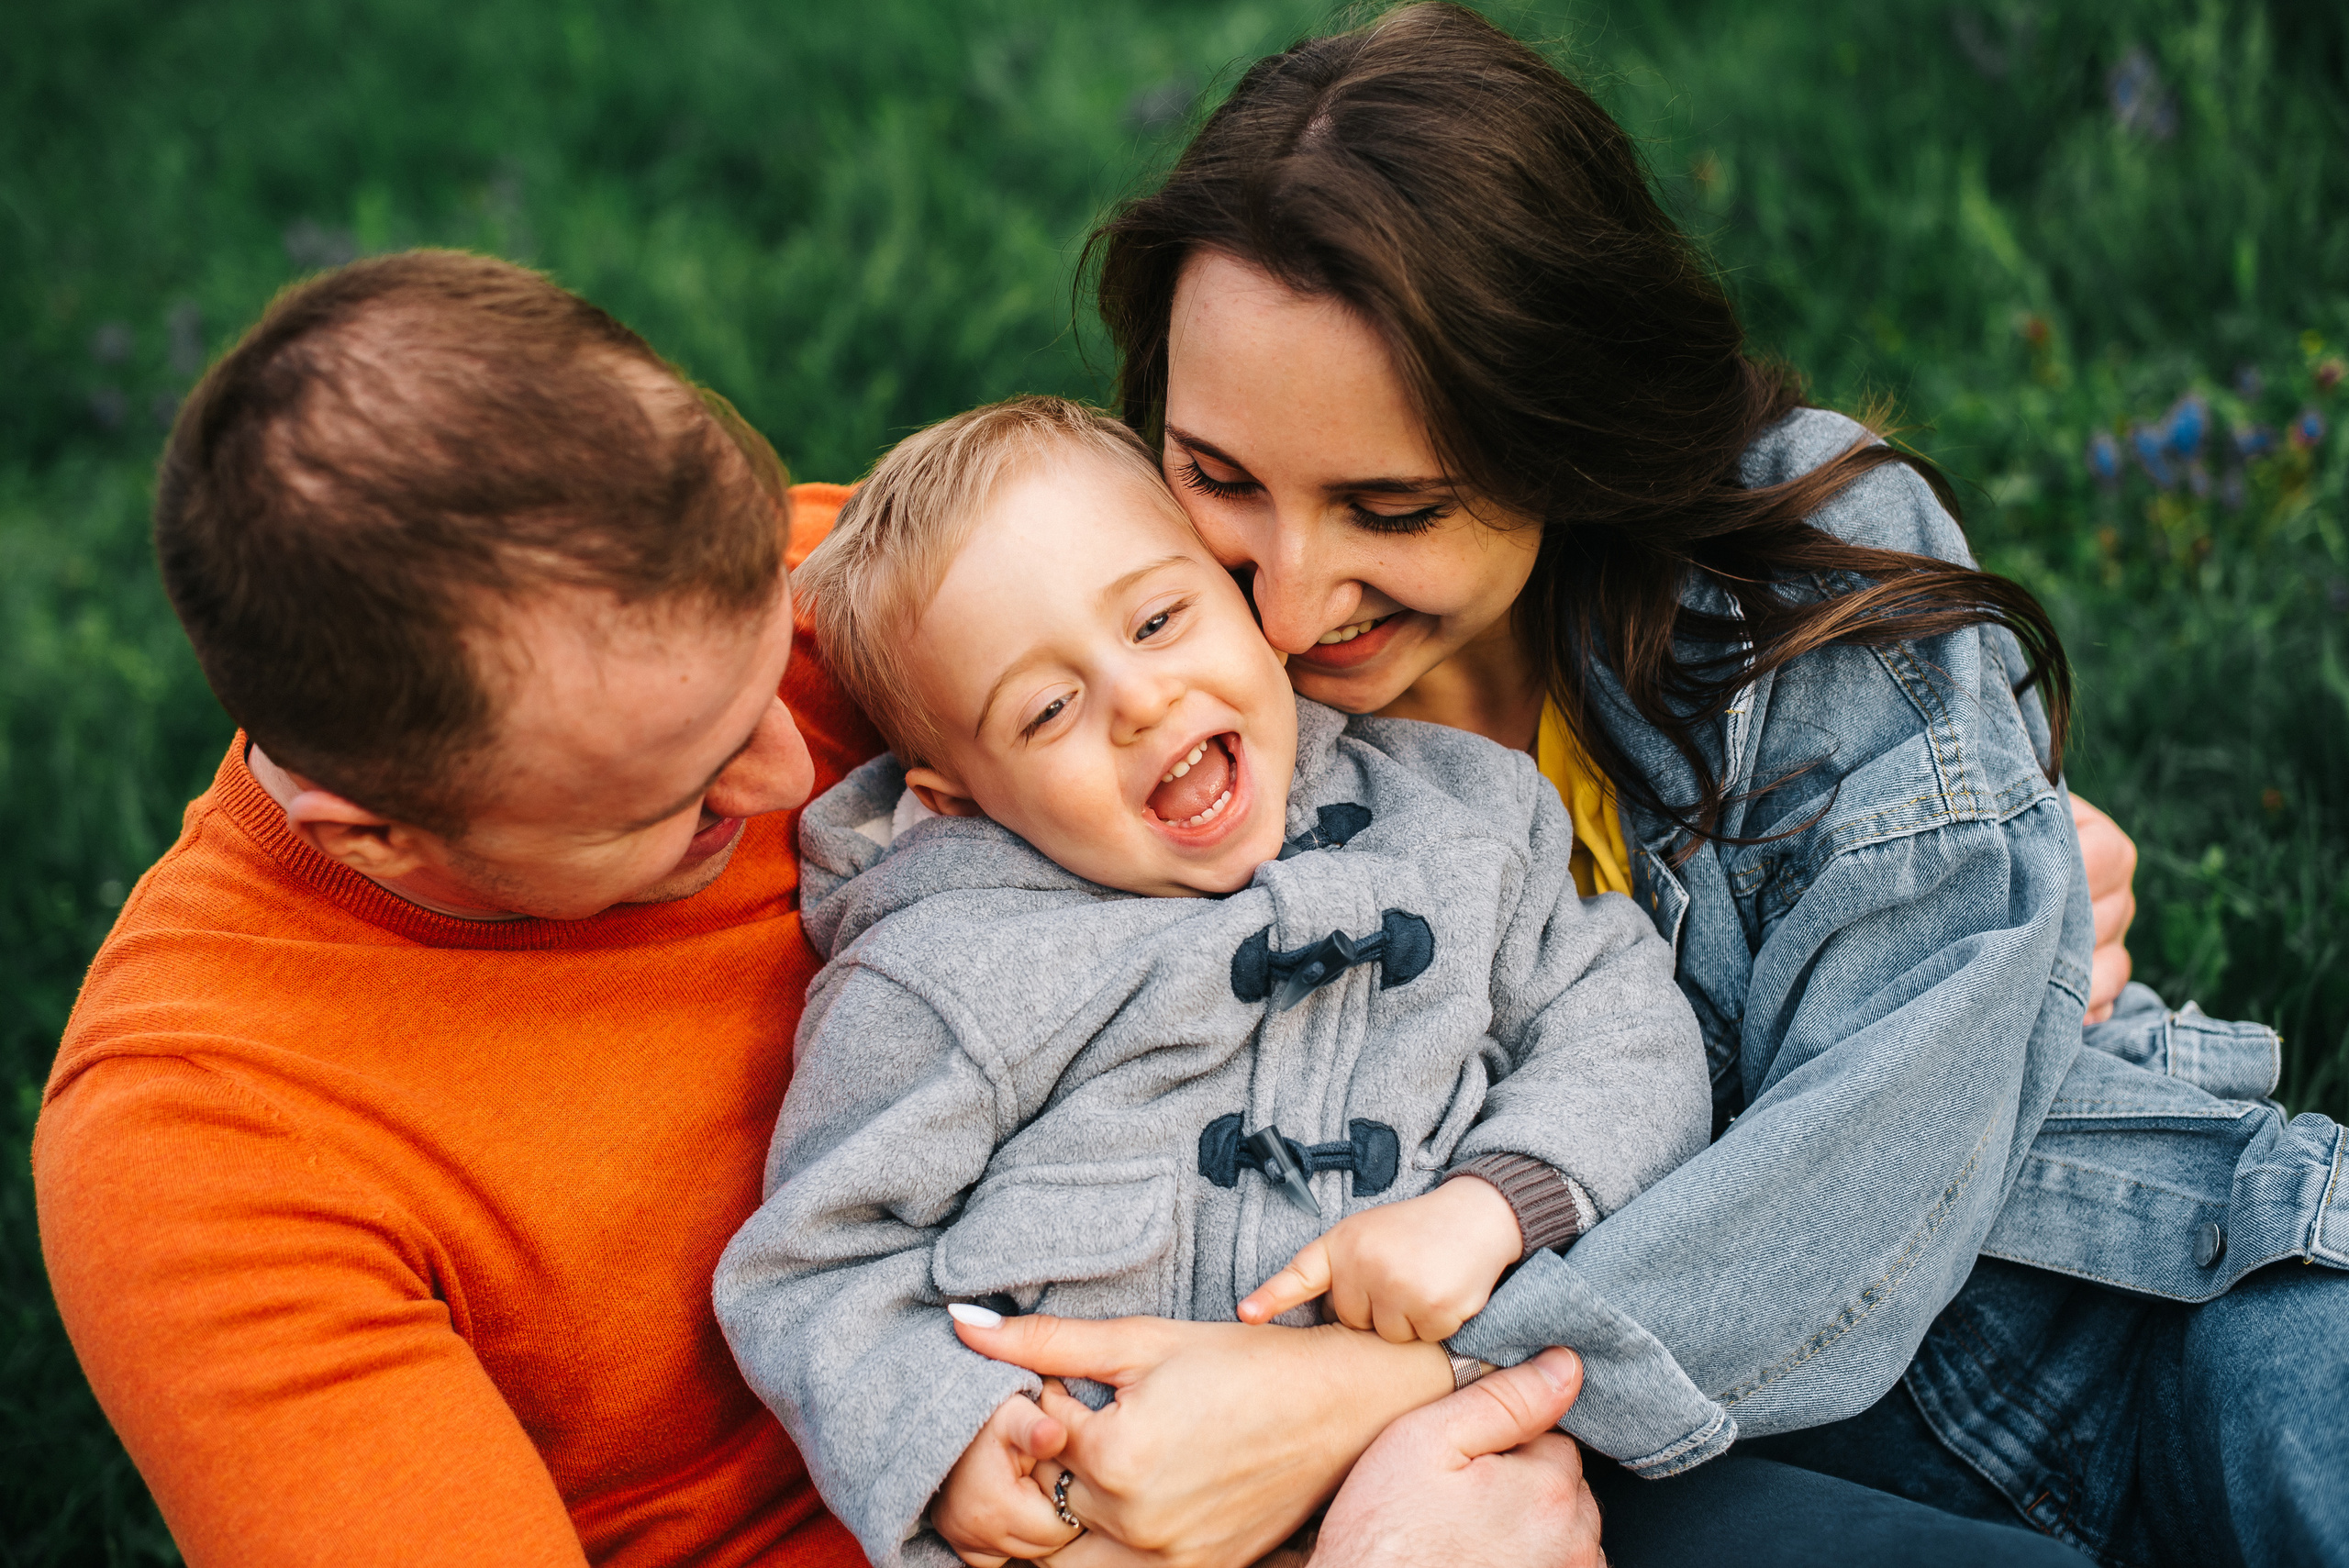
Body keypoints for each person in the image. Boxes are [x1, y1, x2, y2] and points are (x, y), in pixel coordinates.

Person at [919, 6, 2347, 1566]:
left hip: (2141, 1310)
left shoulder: (1788, 579)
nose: (1286, 597)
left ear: (1565, 431)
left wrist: (1370, 1388)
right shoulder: (1149, 689)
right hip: (1663, 1477)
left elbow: (1880, 1151)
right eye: (1220, 475)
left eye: (1390, 503)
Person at [31, 250, 1632, 1568]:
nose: (801, 763)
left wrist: (1371, 1390)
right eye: (678, 797)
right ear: (372, 828)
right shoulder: (206, 1151)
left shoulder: (885, 622)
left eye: (768, 656)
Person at [711, 395, 1709, 1567]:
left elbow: (1626, 1022)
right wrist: (948, 1436)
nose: (1139, 700)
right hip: (1116, 1526)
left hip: (1468, 1495)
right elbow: (815, 1264)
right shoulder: (943, 970)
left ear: (1241, 597)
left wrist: (1493, 1203)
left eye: (1157, 617)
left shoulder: (1457, 820)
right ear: (956, 795)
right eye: (1045, 708)